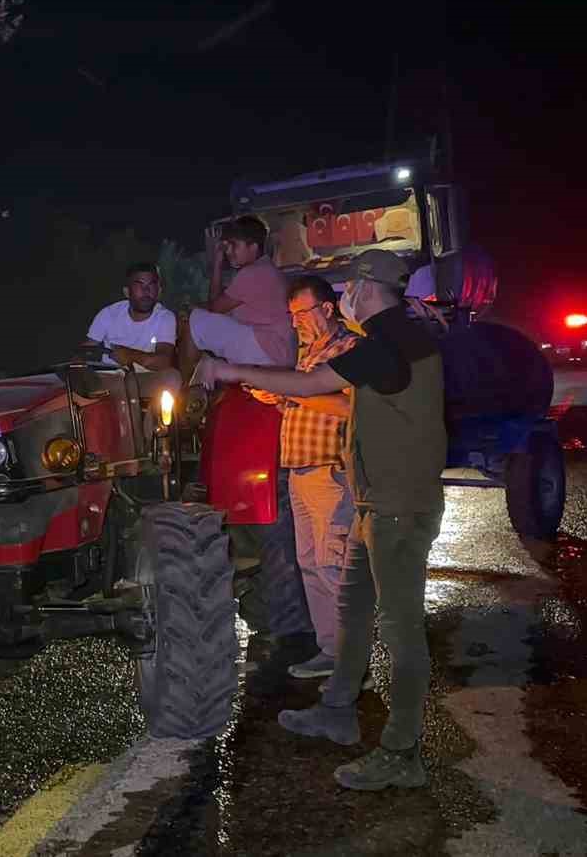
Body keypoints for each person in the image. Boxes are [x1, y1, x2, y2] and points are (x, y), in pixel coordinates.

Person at [198, 249, 445, 791]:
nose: (345, 299)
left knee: (401, 631)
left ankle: (402, 751)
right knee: (354, 611)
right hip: (373, 502)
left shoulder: (389, 344)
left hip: (399, 508)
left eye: (349, 288)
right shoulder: (396, 338)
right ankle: (338, 708)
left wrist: (226, 367)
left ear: (365, 288)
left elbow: (313, 388)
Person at [246, 275, 358, 680]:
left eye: (300, 314)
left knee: (334, 565)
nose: (294, 323)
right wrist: (278, 397)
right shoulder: (308, 354)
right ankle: (331, 651)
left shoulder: (348, 347)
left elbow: (351, 409)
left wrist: (292, 392)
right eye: (291, 316)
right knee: (311, 564)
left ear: (327, 309)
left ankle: (351, 659)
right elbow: (305, 406)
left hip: (330, 472)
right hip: (300, 471)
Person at [176, 215, 295, 381]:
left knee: (193, 322)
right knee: (199, 317)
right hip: (277, 349)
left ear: (253, 247)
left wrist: (217, 262)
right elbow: (222, 305)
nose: (229, 252)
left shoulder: (253, 273)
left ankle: (185, 389)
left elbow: (215, 307)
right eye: (227, 247)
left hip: (270, 349)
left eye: (234, 245)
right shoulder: (264, 269)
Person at [82, 262, 177, 372]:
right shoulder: (109, 314)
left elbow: (163, 361)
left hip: (145, 378)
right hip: (111, 376)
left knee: (172, 377)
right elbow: (86, 350)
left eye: (151, 285)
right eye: (139, 285)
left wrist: (129, 355)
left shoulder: (165, 317)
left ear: (159, 292)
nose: (146, 291)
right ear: (127, 292)